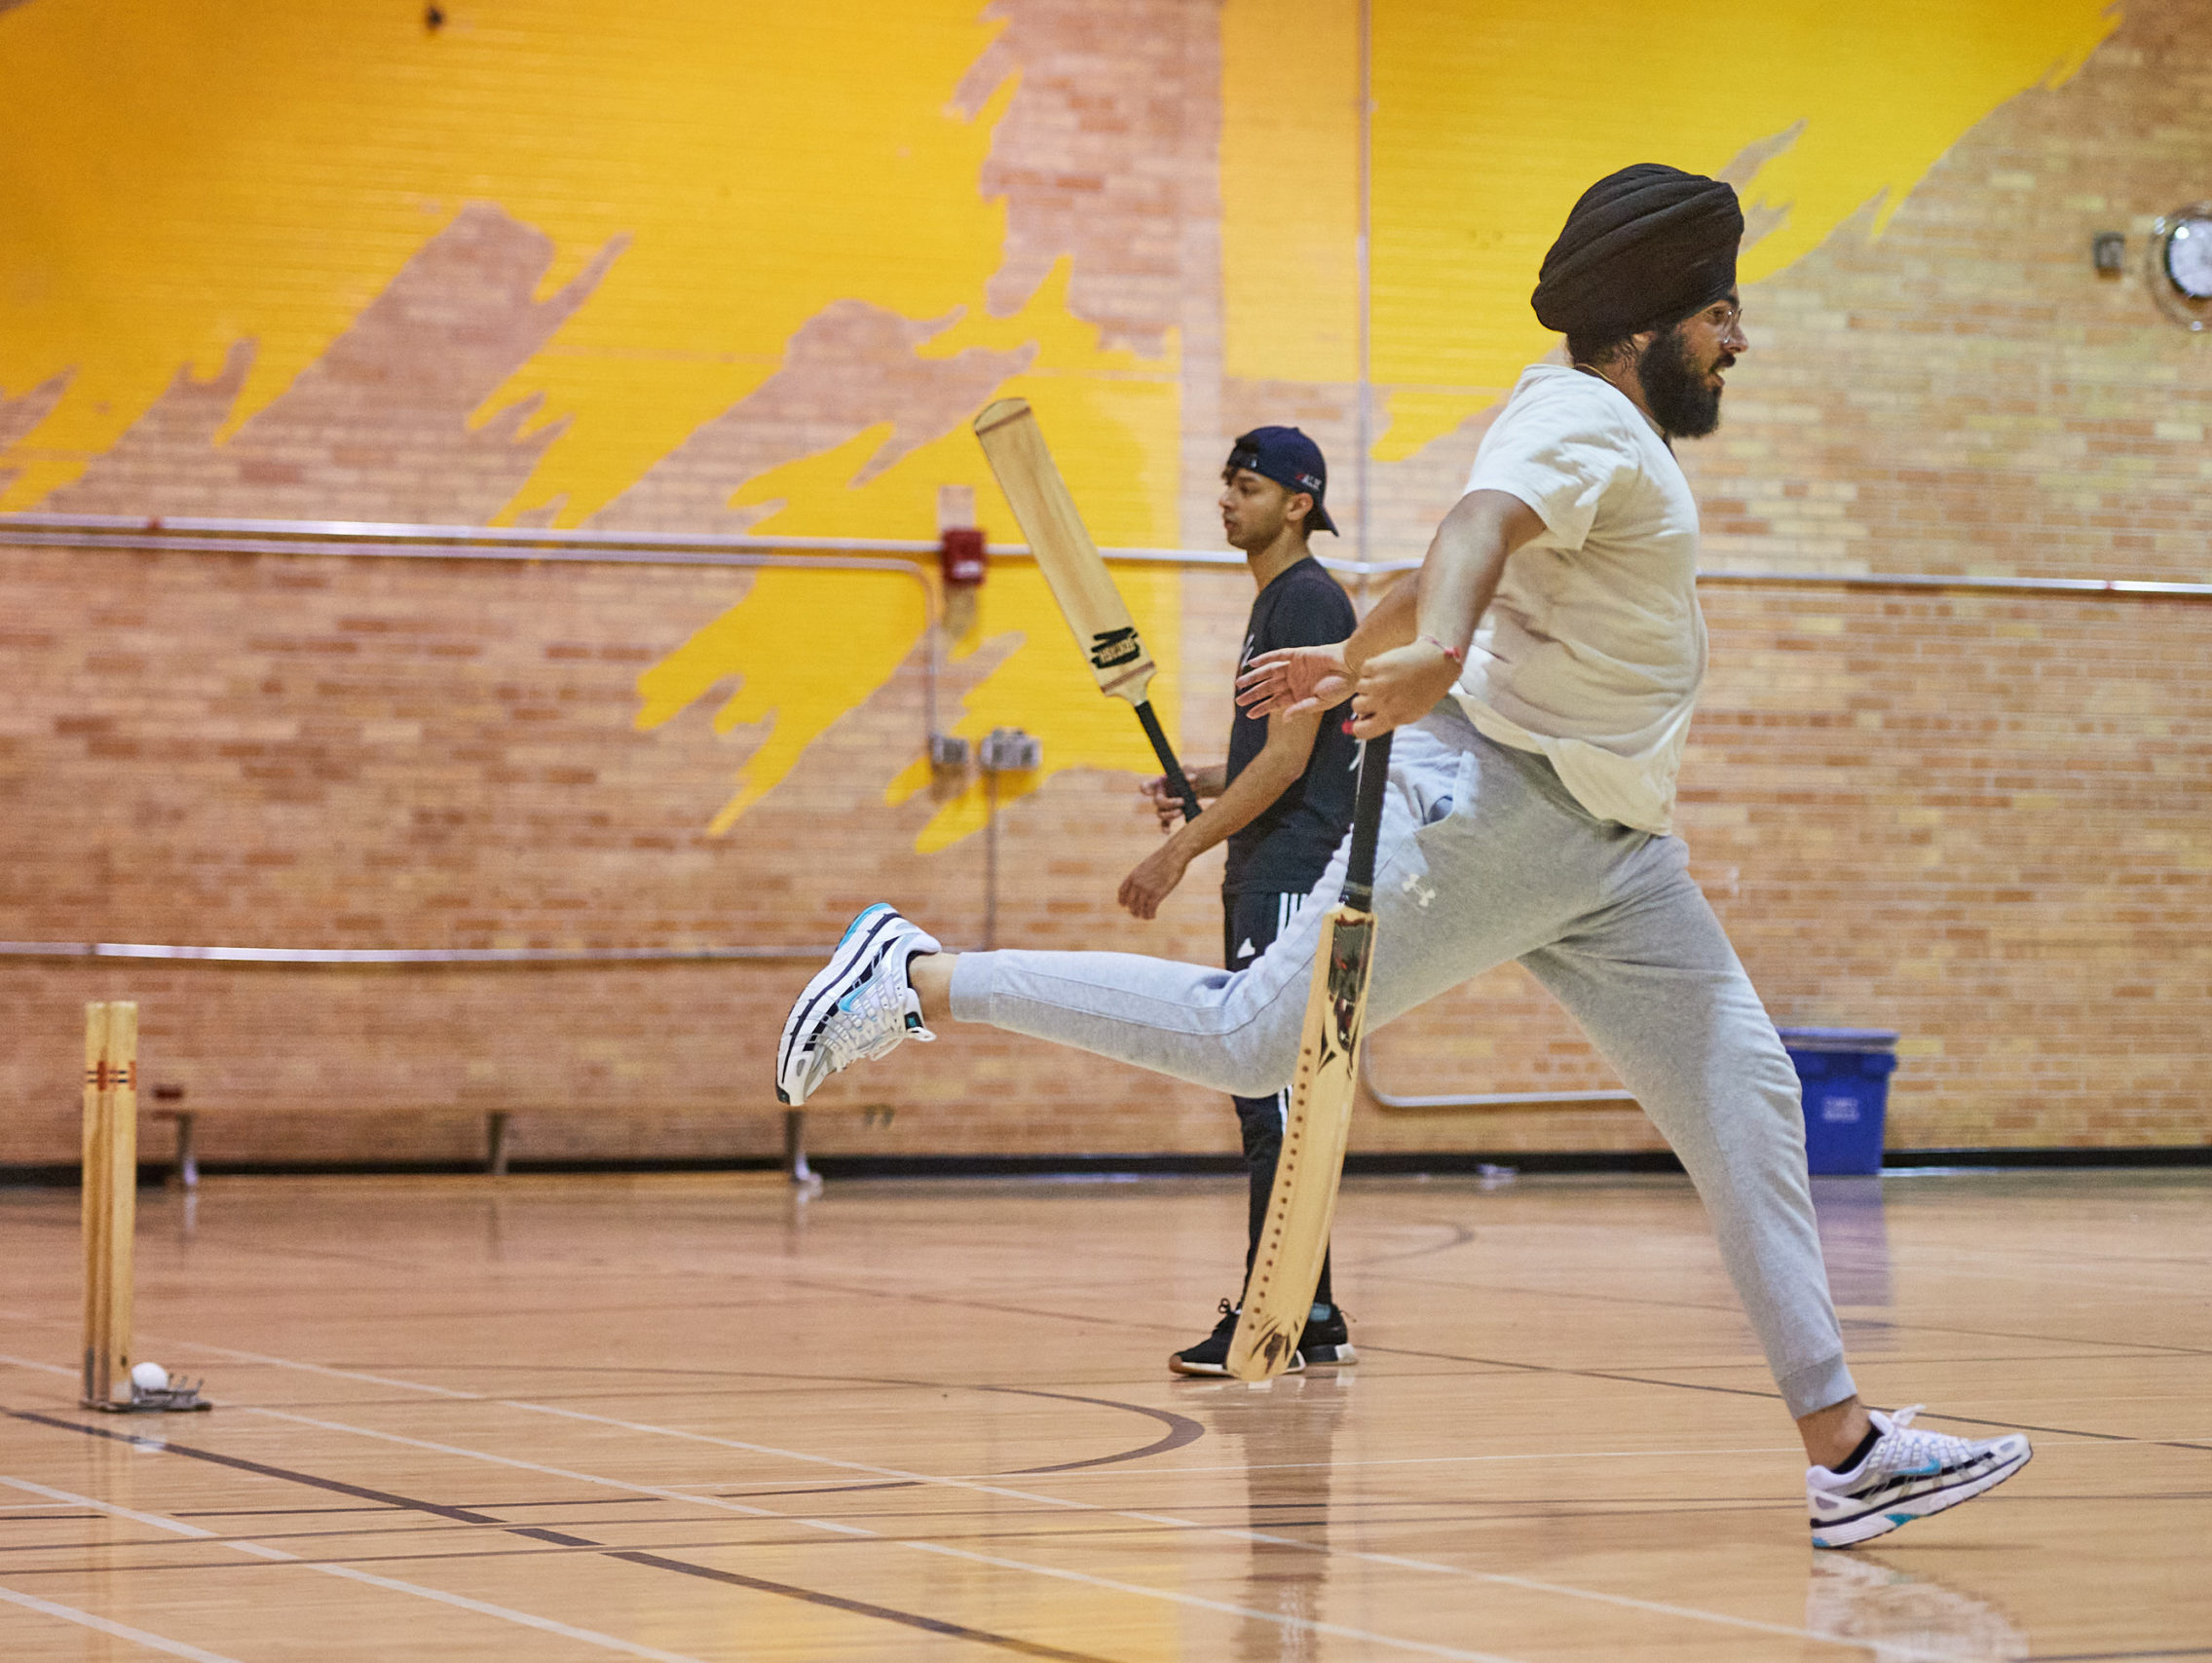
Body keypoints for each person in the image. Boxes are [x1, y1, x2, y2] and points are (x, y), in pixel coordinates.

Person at [776, 163, 2033, 1547]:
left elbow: (1441, 545)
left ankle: (1843, 1449)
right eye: (1724, 315)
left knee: (1748, 1096)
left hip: (1615, 853)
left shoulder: (1597, 432)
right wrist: (1432, 651)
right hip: (1498, 808)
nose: (1739, 341)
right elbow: (1477, 533)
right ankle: (922, 976)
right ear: (1652, 318)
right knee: (1255, 1040)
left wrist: (1354, 651)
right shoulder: (1581, 416)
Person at [1117, 427, 1362, 1378]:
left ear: (1297, 503)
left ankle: (1276, 1314)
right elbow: (1289, 753)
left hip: (1291, 870)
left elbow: (1295, 762)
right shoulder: (1280, 598)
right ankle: (1314, 1308)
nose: (1226, 499)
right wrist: (1214, 779)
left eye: (1246, 485)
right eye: (1224, 482)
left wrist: (1180, 845)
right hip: (1277, 861)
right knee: (1283, 1097)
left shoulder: (1304, 596)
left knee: (1272, 1098)